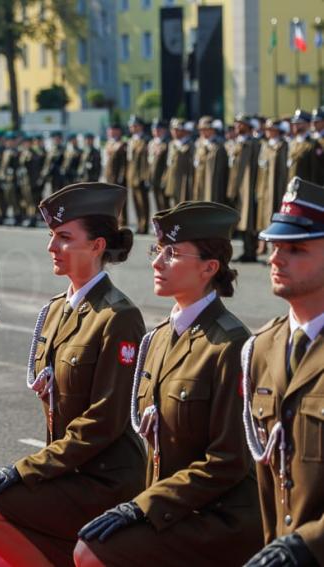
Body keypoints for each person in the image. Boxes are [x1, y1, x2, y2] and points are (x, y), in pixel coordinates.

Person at [0, 183, 146, 567]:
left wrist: (25, 469)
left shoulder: (118, 317)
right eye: (51, 236)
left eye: (64, 237)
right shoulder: (56, 311)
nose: (51, 247)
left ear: (97, 246)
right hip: (67, 468)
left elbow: (103, 422)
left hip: (105, 477)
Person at [76, 201, 262, 566]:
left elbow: (228, 461)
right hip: (171, 508)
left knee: (94, 552)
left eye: (172, 253)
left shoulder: (230, 344)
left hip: (218, 518)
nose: (157, 263)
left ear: (210, 267)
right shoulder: (159, 338)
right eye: (157, 250)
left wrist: (145, 506)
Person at [241, 177, 324, 567]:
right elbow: (266, 482)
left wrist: (304, 547)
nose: (275, 258)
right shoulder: (262, 348)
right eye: (275, 246)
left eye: (295, 249)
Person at [227, 114, 261, 262]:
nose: (237, 126)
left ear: (247, 126)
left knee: (249, 220)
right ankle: (246, 250)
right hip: (238, 188)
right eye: (236, 123)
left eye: (240, 123)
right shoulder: (237, 143)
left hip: (249, 187)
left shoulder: (254, 144)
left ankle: (250, 251)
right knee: (240, 219)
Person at [255, 119, 288, 257]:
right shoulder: (265, 146)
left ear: (277, 130)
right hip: (265, 188)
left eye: (270, 129)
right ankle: (269, 249)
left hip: (278, 188)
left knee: (277, 218)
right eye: (267, 129)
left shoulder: (283, 145)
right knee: (265, 219)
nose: (267, 131)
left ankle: (276, 251)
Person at [192, 116, 229, 205]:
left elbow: (222, 170)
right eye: (201, 129)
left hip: (213, 185)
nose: (202, 132)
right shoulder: (198, 144)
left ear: (212, 129)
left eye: (205, 129)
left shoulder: (219, 145)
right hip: (200, 181)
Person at [126, 116, 150, 234]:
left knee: (143, 202)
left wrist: (145, 177)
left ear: (140, 126)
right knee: (135, 201)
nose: (132, 128)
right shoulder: (131, 140)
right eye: (131, 126)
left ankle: (144, 225)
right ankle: (139, 224)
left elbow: (146, 161)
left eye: (135, 126)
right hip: (132, 175)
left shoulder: (145, 140)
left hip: (140, 176)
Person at [288, 109, 322, 185]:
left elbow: (315, 171)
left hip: (306, 187)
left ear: (307, 124)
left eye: (299, 123)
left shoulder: (313, 143)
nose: (295, 126)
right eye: (294, 123)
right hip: (292, 186)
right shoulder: (293, 142)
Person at [165, 119, 194, 206]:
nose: (174, 132)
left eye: (177, 130)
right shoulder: (171, 144)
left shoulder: (190, 144)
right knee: (173, 204)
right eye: (172, 129)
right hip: (173, 178)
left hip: (184, 179)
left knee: (184, 205)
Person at [147, 119, 170, 211]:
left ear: (164, 130)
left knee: (164, 204)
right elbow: (149, 162)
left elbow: (168, 164)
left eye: (158, 129)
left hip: (163, 177)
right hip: (153, 178)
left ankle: (167, 224)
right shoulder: (152, 143)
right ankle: (159, 224)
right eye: (154, 129)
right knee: (156, 203)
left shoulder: (167, 143)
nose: (156, 131)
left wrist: (165, 178)